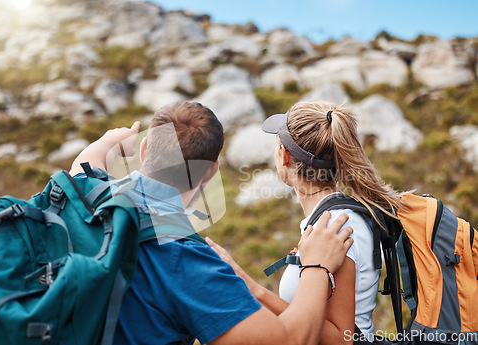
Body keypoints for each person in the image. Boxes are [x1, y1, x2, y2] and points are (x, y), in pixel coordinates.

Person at [69, 101, 354, 345]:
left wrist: (111, 141)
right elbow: (289, 340)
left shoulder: (85, 191)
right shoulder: (187, 261)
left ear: (145, 150)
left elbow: (87, 160)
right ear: (210, 172)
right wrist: (318, 267)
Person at [208, 101, 407, 345]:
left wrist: (252, 289)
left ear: (285, 156)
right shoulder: (330, 218)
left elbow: (340, 339)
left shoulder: (335, 226)